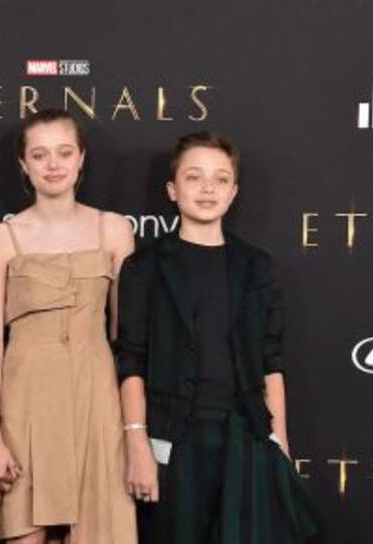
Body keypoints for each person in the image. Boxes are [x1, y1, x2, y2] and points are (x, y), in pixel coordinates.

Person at [116, 132, 319, 544]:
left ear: (233, 192)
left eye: (220, 179)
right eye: (194, 177)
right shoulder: (145, 267)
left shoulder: (257, 266)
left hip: (246, 436)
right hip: (174, 437)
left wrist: (279, 444)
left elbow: (271, 361)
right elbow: (131, 360)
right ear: (172, 190)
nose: (208, 188)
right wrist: (136, 443)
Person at [0, 109, 137, 544]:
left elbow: (126, 339)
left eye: (64, 152)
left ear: (81, 158)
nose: (53, 164)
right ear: (23, 164)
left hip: (96, 398)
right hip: (25, 401)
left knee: (101, 531)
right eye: (40, 154)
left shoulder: (114, 231)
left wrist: (134, 432)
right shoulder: (0, 240)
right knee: (23, 530)